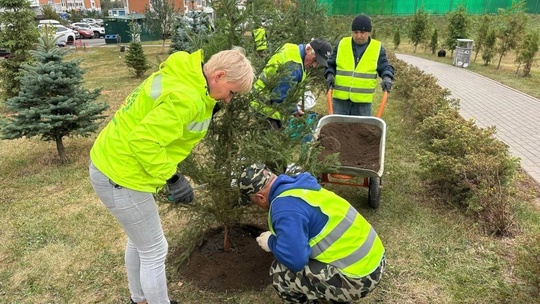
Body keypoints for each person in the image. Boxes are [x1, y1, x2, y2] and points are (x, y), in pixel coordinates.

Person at [88, 48, 255, 304]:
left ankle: (140, 299)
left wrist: (208, 105)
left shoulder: (184, 73)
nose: (230, 99)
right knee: (155, 249)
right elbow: (144, 141)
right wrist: (174, 178)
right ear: (219, 75)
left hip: (113, 161)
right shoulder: (186, 97)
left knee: (140, 242)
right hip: (121, 174)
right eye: (231, 91)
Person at [238, 164, 386, 304]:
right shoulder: (301, 186)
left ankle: (338, 291)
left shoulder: (285, 208)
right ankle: (332, 293)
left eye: (253, 202)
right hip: (374, 260)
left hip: (360, 278)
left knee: (280, 274)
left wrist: (271, 242)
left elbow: (296, 260)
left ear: (260, 197)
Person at [251, 38, 332, 129]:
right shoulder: (294, 67)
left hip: (261, 101)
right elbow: (278, 97)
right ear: (308, 49)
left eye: (318, 63)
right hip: (265, 109)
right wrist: (294, 110)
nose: (314, 65)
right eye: (314, 60)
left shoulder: (292, 48)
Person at [325, 14, 395, 116]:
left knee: (361, 130)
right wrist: (330, 75)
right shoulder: (342, 44)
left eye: (362, 32)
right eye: (355, 32)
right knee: (338, 128)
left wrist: (387, 77)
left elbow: (385, 66)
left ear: (368, 32)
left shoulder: (377, 48)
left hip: (363, 103)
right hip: (340, 101)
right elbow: (331, 63)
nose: (358, 36)